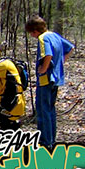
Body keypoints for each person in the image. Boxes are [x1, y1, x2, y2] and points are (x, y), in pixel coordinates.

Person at [25, 15, 73, 149]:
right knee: (50, 109)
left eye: (31, 33)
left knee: (43, 109)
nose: (32, 35)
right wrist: (60, 63)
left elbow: (48, 54)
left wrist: (43, 69)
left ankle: (45, 142)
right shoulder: (54, 35)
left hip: (46, 79)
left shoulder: (43, 38)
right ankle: (51, 139)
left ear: (35, 31)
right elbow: (70, 48)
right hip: (56, 78)